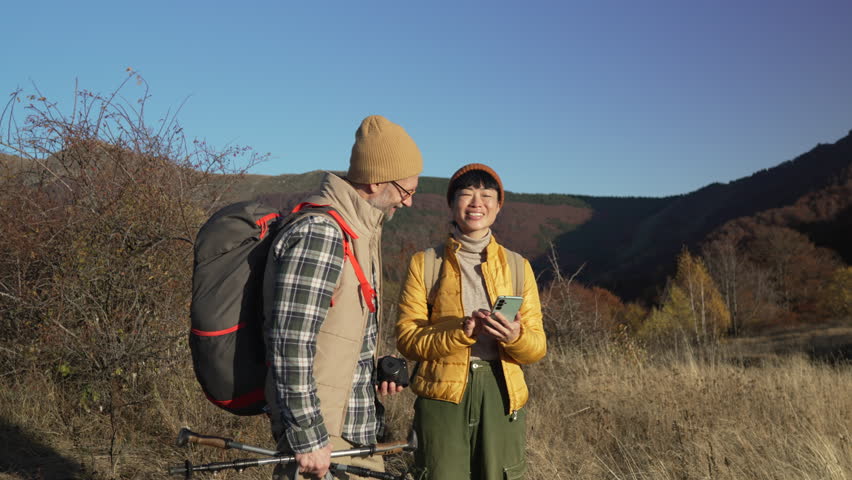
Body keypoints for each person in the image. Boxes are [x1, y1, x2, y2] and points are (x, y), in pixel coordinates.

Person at [263, 115, 421, 480]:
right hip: (323, 439)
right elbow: (290, 343)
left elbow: (333, 330)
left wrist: (369, 363)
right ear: (376, 179)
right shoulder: (322, 233)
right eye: (406, 191)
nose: (409, 202)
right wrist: (307, 437)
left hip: (352, 431)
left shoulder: (358, 231)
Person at [396, 163, 547, 480]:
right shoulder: (425, 264)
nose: (477, 203)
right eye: (466, 194)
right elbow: (407, 340)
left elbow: (536, 349)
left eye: (487, 195)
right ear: (452, 204)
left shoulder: (518, 267)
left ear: (498, 205)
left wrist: (515, 336)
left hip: (501, 391)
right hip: (441, 397)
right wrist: (459, 333)